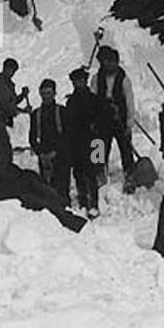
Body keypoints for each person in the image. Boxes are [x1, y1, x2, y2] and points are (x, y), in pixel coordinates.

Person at [94, 47, 138, 191]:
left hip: (120, 119)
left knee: (126, 149)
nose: (111, 65)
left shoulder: (124, 79)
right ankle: (98, 172)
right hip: (102, 118)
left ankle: (129, 175)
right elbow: (93, 98)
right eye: (108, 62)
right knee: (99, 146)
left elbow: (129, 101)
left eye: (114, 62)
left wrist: (129, 122)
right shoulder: (96, 78)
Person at [64, 67, 101, 218]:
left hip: (92, 141)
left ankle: (94, 204)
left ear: (85, 81)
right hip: (76, 142)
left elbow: (100, 124)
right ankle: (83, 201)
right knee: (78, 173)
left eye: (81, 80)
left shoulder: (94, 99)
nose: (78, 83)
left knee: (92, 173)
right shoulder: (71, 101)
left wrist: (99, 148)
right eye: (76, 81)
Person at [29, 78, 71, 206]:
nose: (46, 96)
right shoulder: (36, 114)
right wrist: (40, 153)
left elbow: (68, 135)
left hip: (61, 155)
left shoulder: (62, 111)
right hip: (44, 155)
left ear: (54, 93)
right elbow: (32, 137)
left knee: (62, 188)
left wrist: (56, 151)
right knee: (47, 188)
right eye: (43, 93)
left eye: (49, 93)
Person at [0, 57, 27, 177]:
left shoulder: (7, 84)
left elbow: (11, 101)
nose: (12, 72)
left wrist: (22, 96)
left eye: (14, 70)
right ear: (5, 68)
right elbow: (6, 105)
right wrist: (22, 111)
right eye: (10, 69)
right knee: (1, 147)